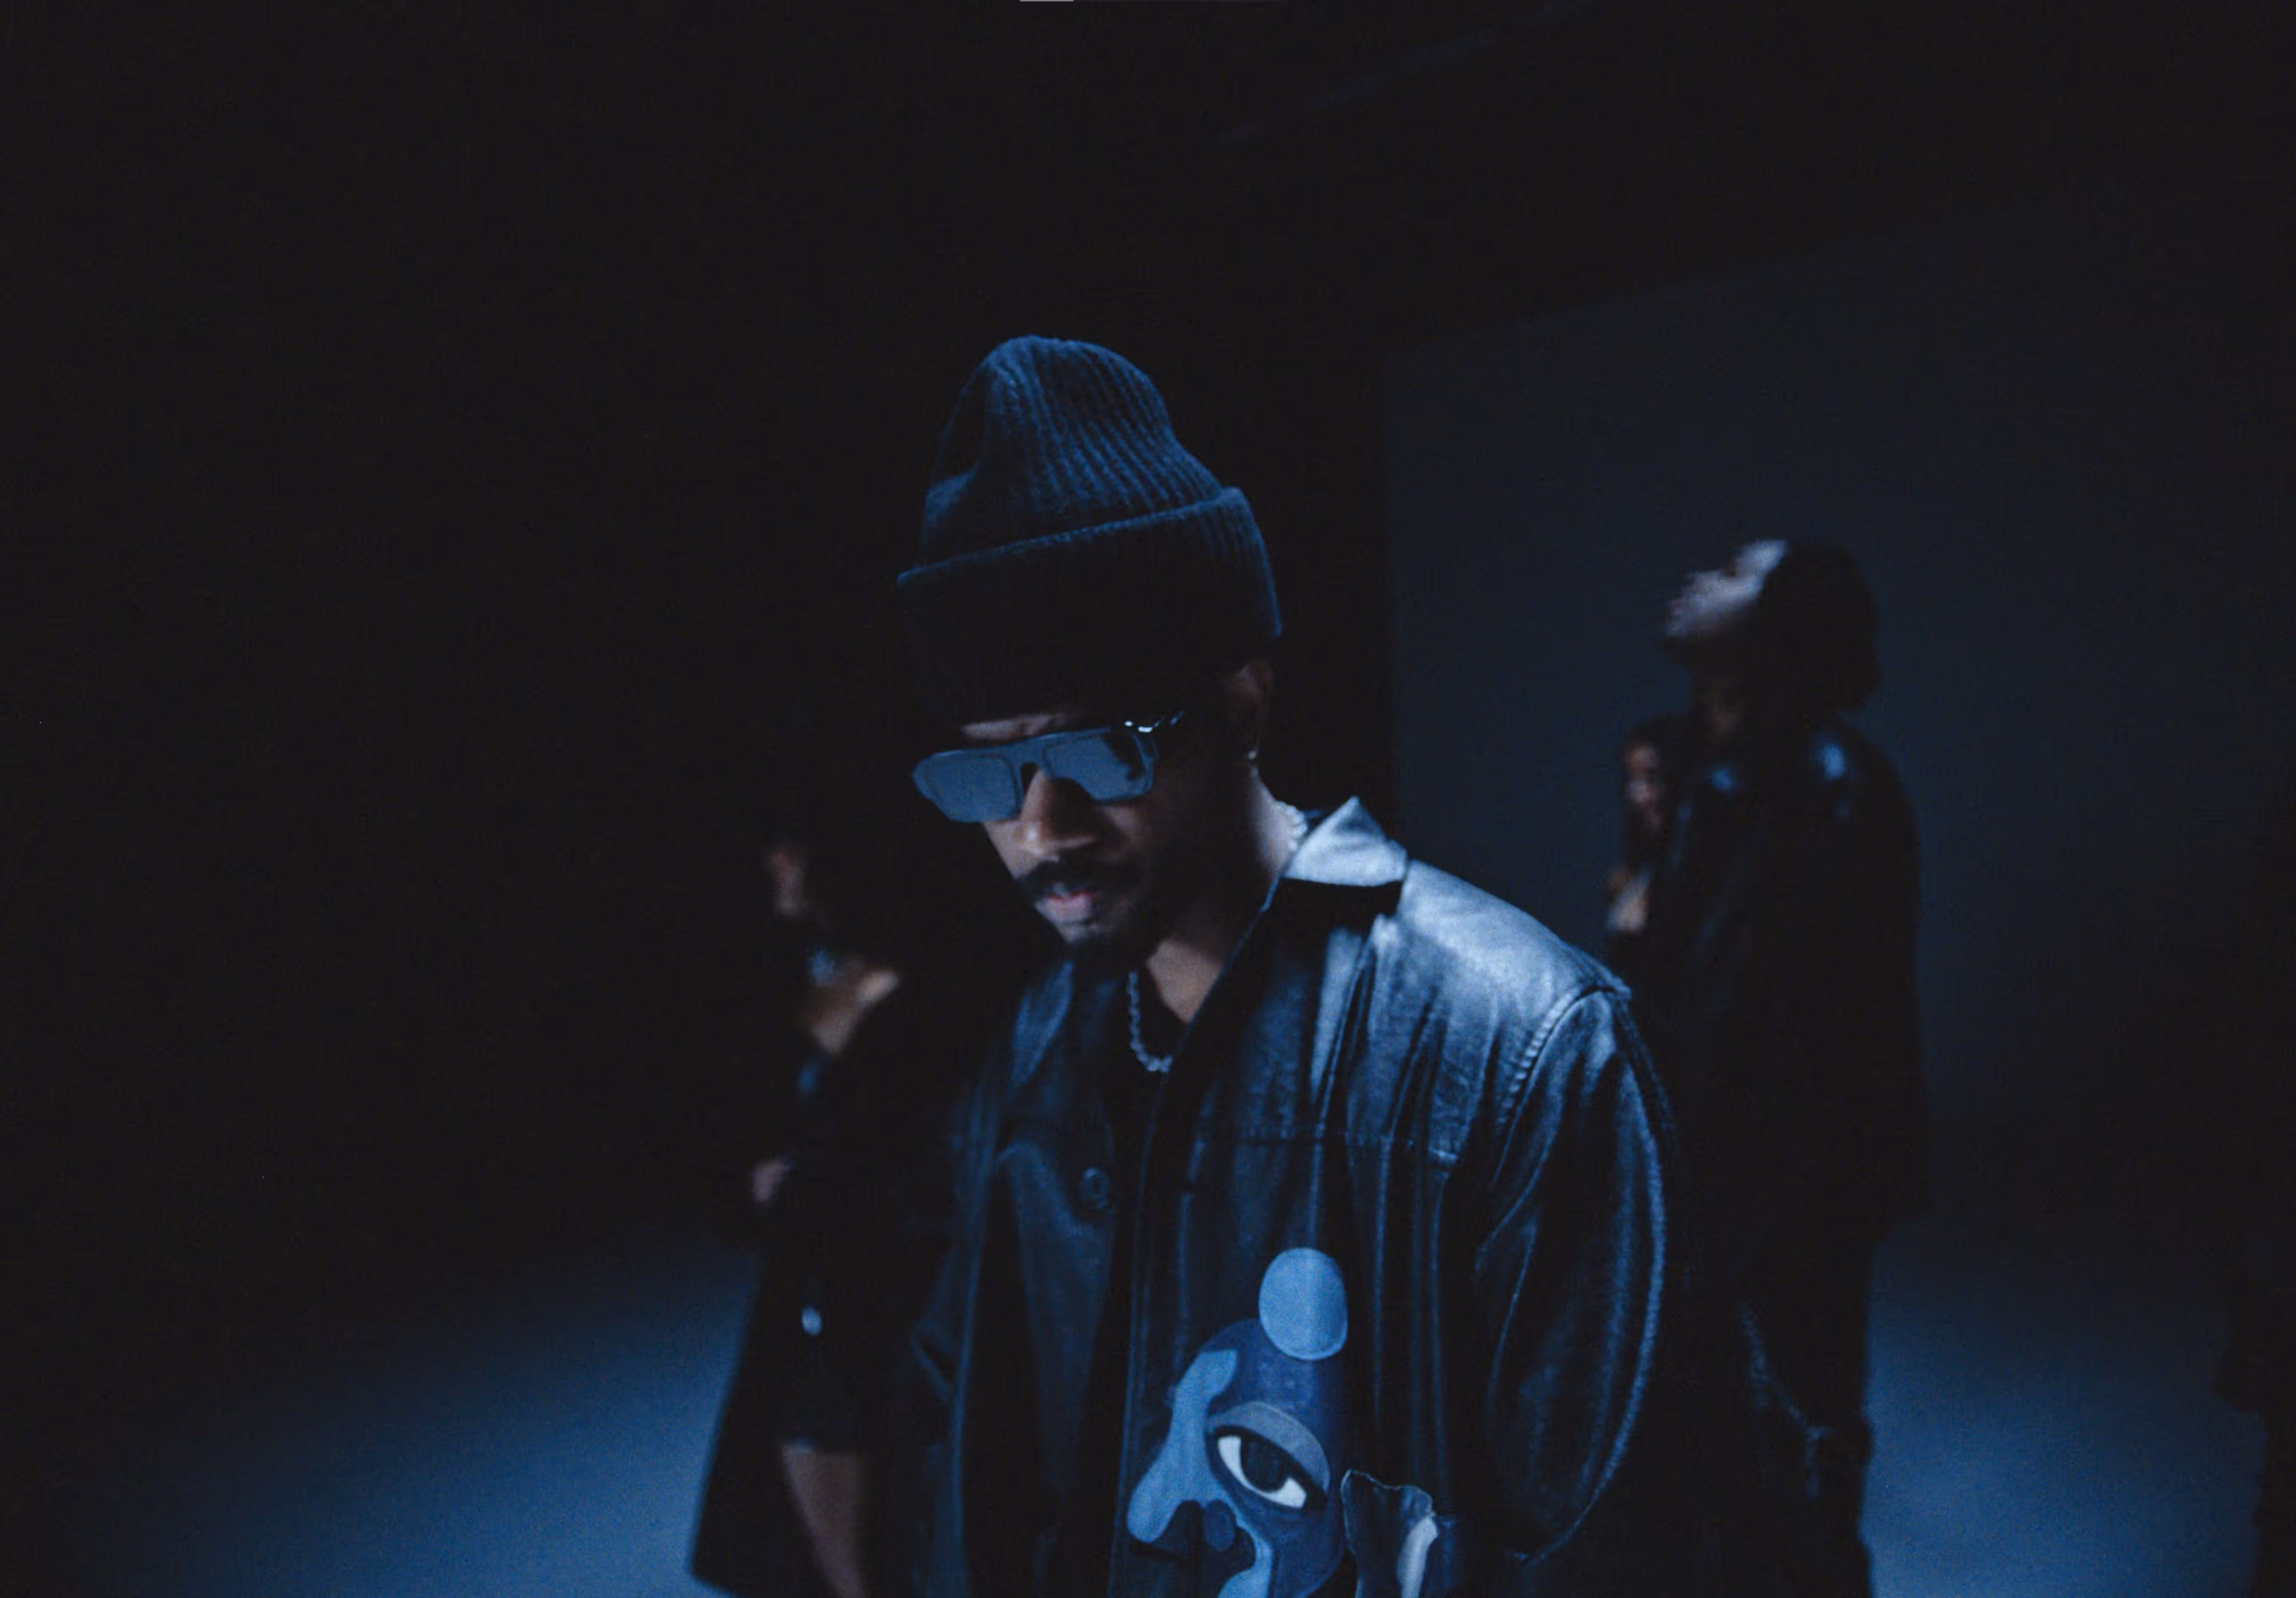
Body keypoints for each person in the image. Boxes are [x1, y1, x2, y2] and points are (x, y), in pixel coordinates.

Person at [894, 336, 1710, 1597]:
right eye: (987, 771)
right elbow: (977, 1462)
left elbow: (1625, 1550)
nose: (1040, 829)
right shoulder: (1043, 1039)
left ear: (1241, 704)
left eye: (1101, 748)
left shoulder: (1522, 1046)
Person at [1634, 539, 1927, 1598]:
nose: (1694, 579)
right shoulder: (1688, 773)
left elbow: (1813, 1044)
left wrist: (1728, 1215)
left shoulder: (1826, 790)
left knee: (1794, 1466)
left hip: (1772, 1205)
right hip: (1710, 1189)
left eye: (1730, 572)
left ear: (1777, 624)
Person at [691, 778, 973, 1598]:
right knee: (807, 1441)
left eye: (796, 847)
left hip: (865, 1282)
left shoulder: (904, 996)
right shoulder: (816, 974)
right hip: (816, 1270)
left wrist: (803, 1179)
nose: (776, 863)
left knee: (836, 1437)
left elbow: (899, 1152)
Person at [1602, 713, 1686, 988]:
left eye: (1652, 777)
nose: (1637, 795)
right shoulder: (1627, 877)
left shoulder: (1710, 876)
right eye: (1630, 780)